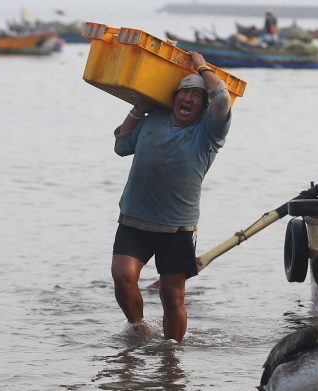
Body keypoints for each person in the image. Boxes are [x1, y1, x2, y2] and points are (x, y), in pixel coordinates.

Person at [111, 51, 232, 343]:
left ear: (203, 106)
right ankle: (138, 328)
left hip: (177, 227)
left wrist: (201, 66)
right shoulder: (155, 117)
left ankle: (172, 355)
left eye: (196, 96)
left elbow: (223, 99)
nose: (188, 99)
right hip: (135, 218)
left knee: (172, 296)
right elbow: (120, 145)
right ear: (174, 97)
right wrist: (138, 109)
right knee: (123, 276)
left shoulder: (208, 133)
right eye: (183, 93)